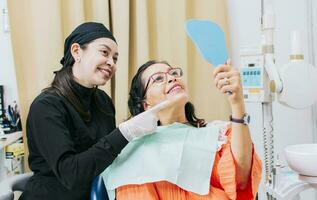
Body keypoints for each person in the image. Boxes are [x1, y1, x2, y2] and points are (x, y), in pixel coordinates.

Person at [20, 23, 179, 200]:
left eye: (115, 58)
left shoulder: (102, 102)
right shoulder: (47, 107)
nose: (111, 62)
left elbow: (105, 160)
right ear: (76, 51)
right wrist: (125, 132)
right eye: (104, 52)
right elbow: (71, 175)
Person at [105, 60, 262, 200]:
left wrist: (237, 102)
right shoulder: (136, 151)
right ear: (146, 104)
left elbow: (241, 181)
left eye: (173, 73)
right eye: (158, 79)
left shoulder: (218, 134)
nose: (173, 78)